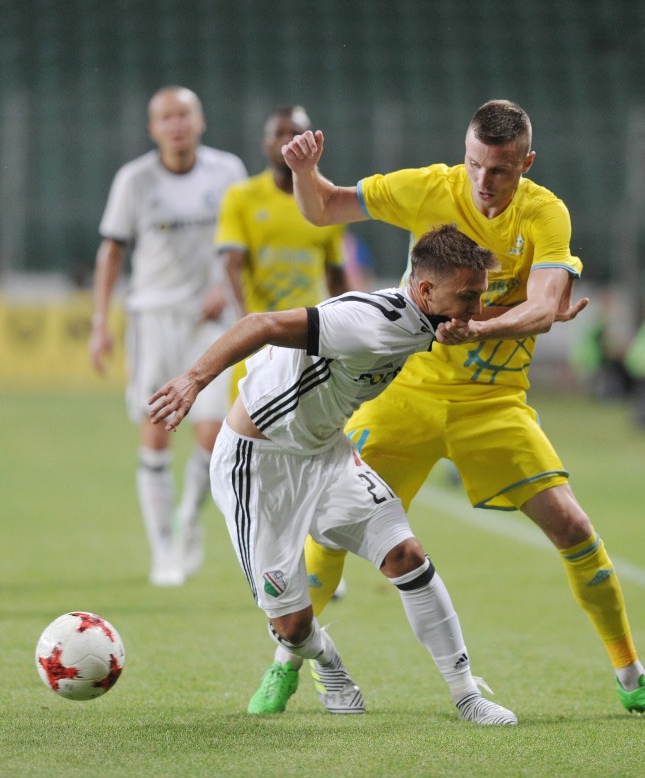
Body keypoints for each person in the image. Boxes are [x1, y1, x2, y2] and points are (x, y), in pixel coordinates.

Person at [253, 98, 645, 720]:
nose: (483, 183)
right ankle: (285, 666)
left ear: (526, 163)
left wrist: (477, 329)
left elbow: (547, 306)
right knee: (332, 528)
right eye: (474, 166)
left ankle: (633, 680)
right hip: (406, 394)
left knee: (573, 527)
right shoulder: (430, 187)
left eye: (499, 171)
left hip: (492, 403)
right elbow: (326, 206)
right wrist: (305, 172)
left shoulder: (545, 213)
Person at [148, 224, 518, 725]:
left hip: (326, 455)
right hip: (258, 466)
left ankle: (465, 693)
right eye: (468, 296)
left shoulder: (431, 314)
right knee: (293, 625)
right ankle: (327, 662)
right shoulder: (362, 323)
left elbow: (473, 322)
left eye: (479, 296)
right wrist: (194, 379)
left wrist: (535, 316)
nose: (474, 308)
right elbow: (262, 323)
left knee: (406, 555)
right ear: (426, 290)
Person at [89, 86, 247, 586]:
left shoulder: (228, 172)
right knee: (157, 430)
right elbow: (111, 252)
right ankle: (163, 552)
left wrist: (225, 287)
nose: (176, 124)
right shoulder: (134, 180)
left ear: (200, 122)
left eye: (184, 114)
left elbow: (242, 246)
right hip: (154, 316)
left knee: (213, 430)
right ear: (153, 128)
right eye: (165, 117)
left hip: (211, 320)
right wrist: (99, 323)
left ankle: (187, 525)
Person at [215, 105, 349, 407]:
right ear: (265, 142)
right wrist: (245, 323)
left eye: (295, 133)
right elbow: (230, 264)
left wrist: (350, 329)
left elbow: (336, 275)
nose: (287, 140)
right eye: (279, 133)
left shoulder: (326, 201)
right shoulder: (242, 197)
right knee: (243, 438)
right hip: (258, 337)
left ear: (313, 144)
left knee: (311, 439)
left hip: (310, 336)